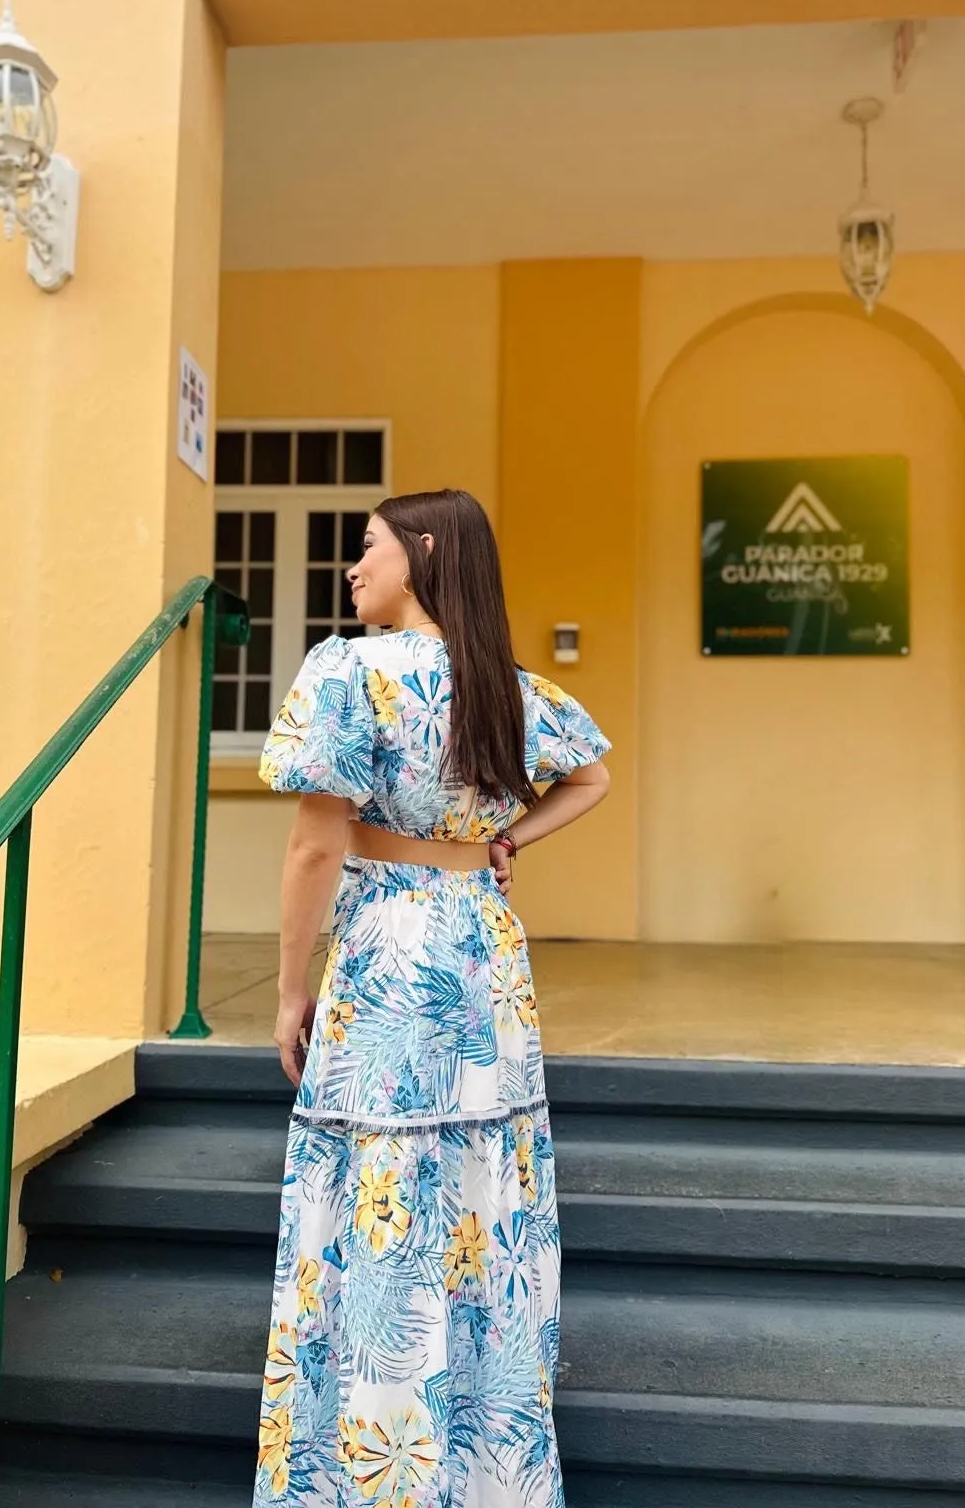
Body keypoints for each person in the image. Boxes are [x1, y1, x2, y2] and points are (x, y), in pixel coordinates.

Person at [252, 487, 611, 1508]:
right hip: (481, 951)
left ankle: (365, 1473)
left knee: (381, 1192)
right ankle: (483, 1475)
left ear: (420, 551)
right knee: (478, 1197)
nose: (351, 568)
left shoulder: (350, 671)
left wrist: (289, 992)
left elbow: (318, 844)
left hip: (390, 950)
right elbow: (590, 779)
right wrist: (505, 840)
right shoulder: (502, 682)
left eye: (365, 548)